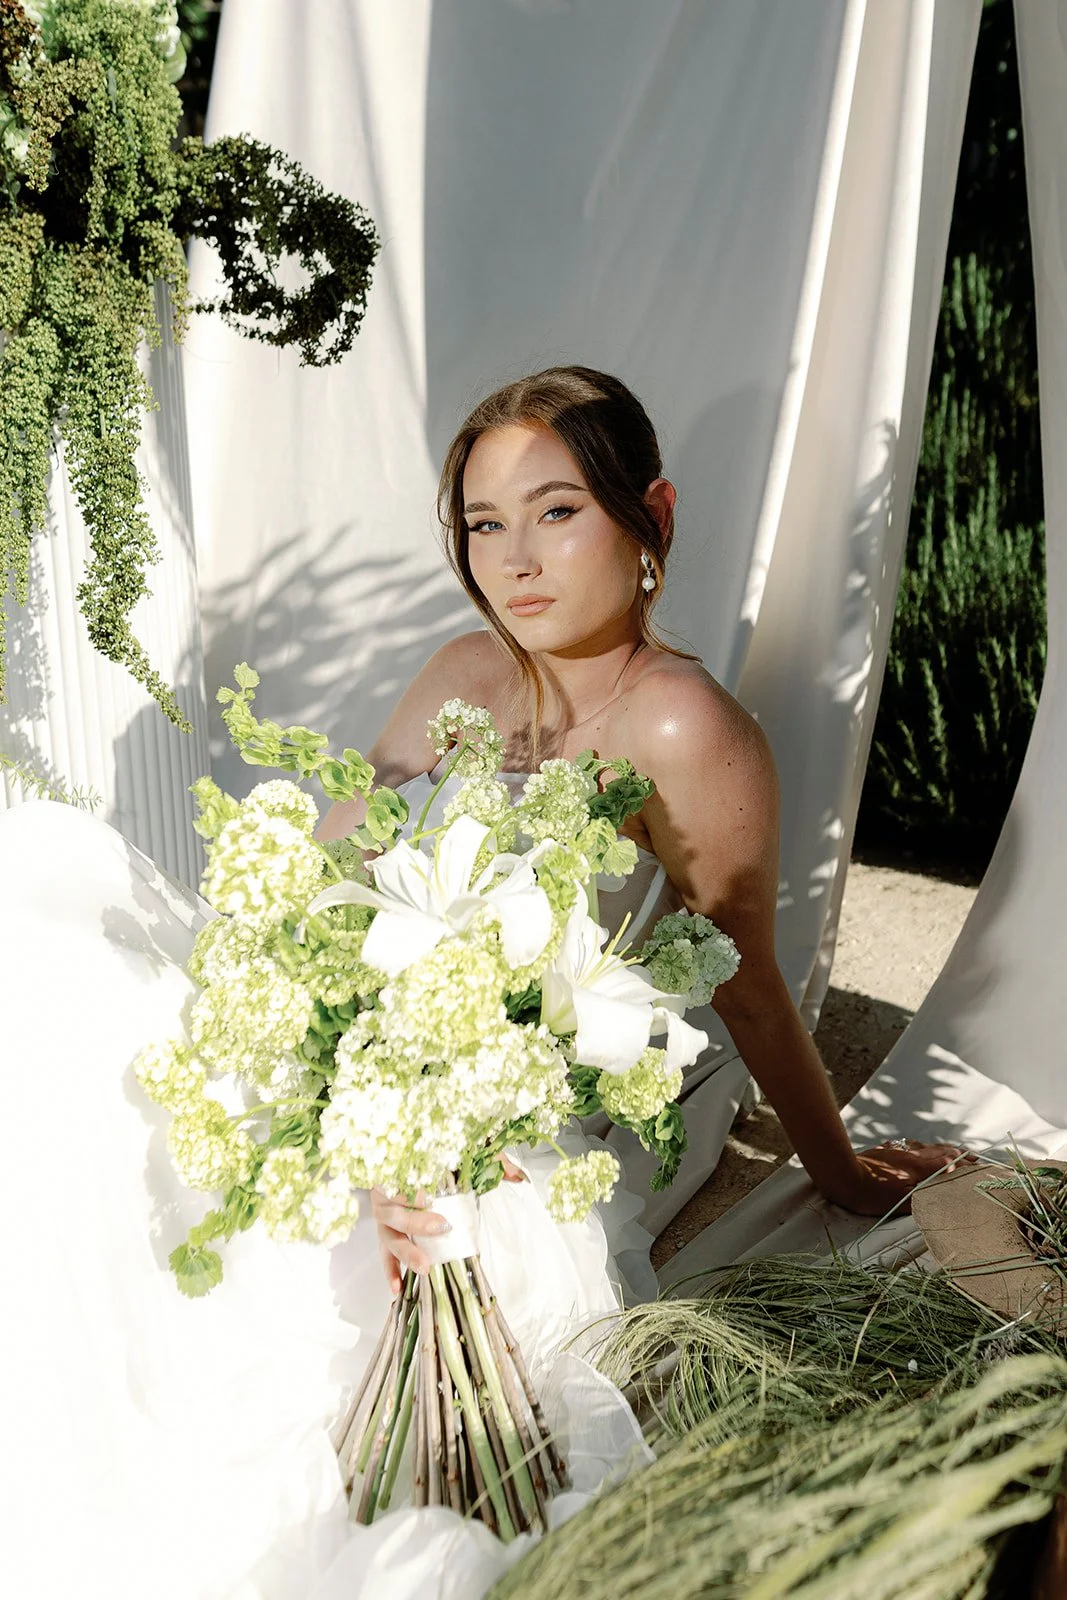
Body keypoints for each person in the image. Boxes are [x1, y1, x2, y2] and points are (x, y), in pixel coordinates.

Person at [314, 365, 968, 1283]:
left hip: (543, 1117)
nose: (515, 562)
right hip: (378, 1064)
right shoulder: (464, 673)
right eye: (484, 525)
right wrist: (345, 1089)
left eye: (556, 512)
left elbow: (746, 982)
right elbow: (328, 875)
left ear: (650, 516)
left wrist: (846, 1177)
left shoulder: (677, 725)